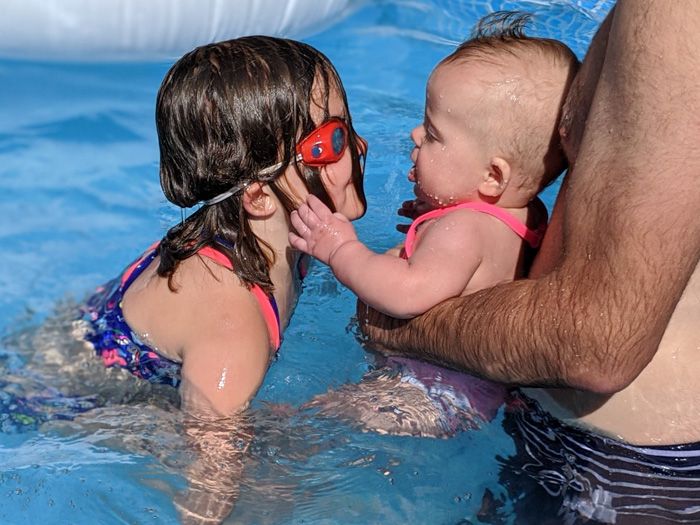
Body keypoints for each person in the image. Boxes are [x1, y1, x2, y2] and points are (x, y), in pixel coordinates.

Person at [358, 2, 700, 524]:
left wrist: (397, 323)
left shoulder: (676, 17)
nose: (413, 138)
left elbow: (597, 345)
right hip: (568, 433)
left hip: (629, 476)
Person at [73, 36, 367, 524]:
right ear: (257, 197)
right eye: (329, 141)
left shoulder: (282, 231)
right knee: (277, 487)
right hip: (86, 403)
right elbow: (209, 486)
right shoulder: (235, 327)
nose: (357, 146)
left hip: (92, 343)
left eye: (347, 126)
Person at [290, 16, 578, 434]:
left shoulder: (462, 230)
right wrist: (432, 223)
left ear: (492, 177)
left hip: (431, 392)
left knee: (308, 425)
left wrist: (340, 249)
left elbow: (407, 293)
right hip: (469, 391)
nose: (415, 134)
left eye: (434, 134)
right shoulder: (525, 214)